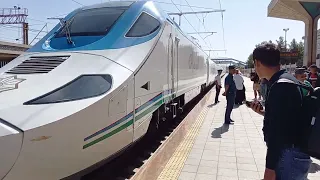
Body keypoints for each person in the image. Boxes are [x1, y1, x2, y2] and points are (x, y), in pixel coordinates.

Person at [249, 43, 311, 180]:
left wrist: (269, 168)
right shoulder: (288, 80)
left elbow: (277, 133)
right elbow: (287, 119)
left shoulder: (280, 86)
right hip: (295, 154)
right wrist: (264, 113)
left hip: (287, 156)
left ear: (257, 63)